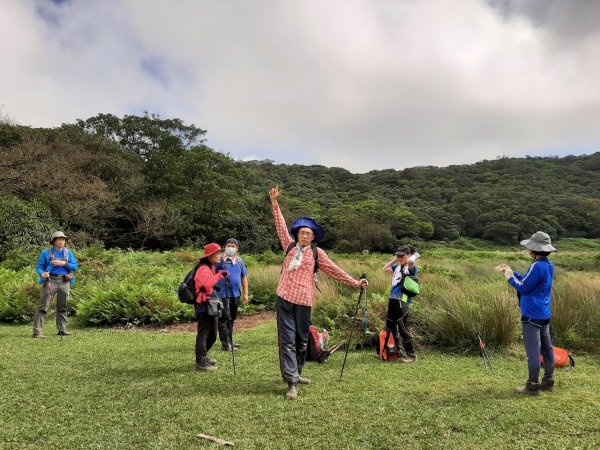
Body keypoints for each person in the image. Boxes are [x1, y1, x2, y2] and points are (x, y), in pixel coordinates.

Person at [269, 185, 368, 400]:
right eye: (302, 232)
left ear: (313, 238)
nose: (305, 236)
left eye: (309, 234)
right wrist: (275, 204)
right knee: (286, 340)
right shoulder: (289, 246)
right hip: (284, 298)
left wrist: (355, 283)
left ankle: (298, 372)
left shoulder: (317, 253)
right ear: (297, 234)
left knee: (302, 340)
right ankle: (292, 381)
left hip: (304, 301)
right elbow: (280, 227)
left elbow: (334, 270)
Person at [495, 231, 557, 396]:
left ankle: (532, 386)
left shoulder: (537, 265)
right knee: (547, 348)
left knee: (533, 352)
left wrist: (509, 278)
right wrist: (511, 271)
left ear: (534, 250)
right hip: (544, 314)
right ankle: (548, 381)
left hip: (532, 315)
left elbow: (523, 287)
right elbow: (529, 282)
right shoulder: (549, 265)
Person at [33, 231, 79, 338]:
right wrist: (42, 273)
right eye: (59, 239)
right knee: (43, 307)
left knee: (63, 307)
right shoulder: (45, 253)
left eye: (63, 239)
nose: (62, 241)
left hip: (65, 281)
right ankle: (37, 333)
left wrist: (64, 263)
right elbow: (39, 268)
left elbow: (75, 267)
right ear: (54, 241)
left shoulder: (68, 253)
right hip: (50, 281)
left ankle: (62, 330)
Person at [194, 243, 230, 372]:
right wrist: (220, 275)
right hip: (204, 305)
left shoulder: (210, 268)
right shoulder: (203, 268)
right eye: (218, 253)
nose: (220, 255)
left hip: (210, 303)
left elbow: (210, 279)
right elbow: (207, 283)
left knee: (212, 334)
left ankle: (204, 357)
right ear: (210, 256)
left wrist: (219, 272)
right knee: (204, 333)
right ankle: (200, 362)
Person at [383, 246, 420, 363]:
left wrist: (413, 256)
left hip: (402, 301)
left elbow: (411, 261)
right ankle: (396, 352)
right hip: (393, 299)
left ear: (408, 256)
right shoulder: (397, 267)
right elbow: (385, 268)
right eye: (398, 255)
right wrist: (396, 259)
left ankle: (411, 356)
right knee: (391, 326)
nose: (399, 258)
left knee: (403, 328)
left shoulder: (410, 268)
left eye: (402, 256)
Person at [215, 238, 249, 352]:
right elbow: (212, 273)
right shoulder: (220, 260)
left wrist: (246, 294)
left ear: (237, 249)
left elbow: (244, 277)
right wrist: (221, 273)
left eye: (233, 246)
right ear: (225, 247)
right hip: (223, 293)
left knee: (232, 318)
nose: (230, 248)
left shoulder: (240, 261)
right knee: (224, 317)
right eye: (228, 245)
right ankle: (225, 344)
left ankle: (230, 340)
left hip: (236, 293)